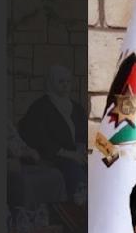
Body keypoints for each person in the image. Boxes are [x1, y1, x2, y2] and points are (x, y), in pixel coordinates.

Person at [18, 63, 87, 198]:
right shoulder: (40, 107)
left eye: (68, 82)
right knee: (72, 167)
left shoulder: (76, 107)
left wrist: (81, 148)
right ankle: (79, 196)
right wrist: (69, 154)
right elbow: (38, 137)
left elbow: (84, 131)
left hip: (77, 152)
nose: (65, 85)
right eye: (61, 82)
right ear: (51, 82)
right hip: (53, 155)